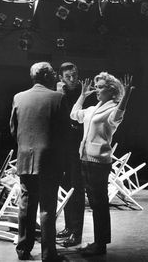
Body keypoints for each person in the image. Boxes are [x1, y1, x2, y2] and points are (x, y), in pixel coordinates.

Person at [10, 62, 69, 262]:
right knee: (47, 208)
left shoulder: (18, 97)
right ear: (46, 76)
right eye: (53, 73)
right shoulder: (58, 98)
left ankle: (23, 250)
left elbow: (13, 129)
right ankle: (48, 254)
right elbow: (64, 133)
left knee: (26, 207)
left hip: (26, 158)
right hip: (49, 161)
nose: (55, 76)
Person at [70, 72, 134, 257]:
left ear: (112, 91)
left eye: (100, 87)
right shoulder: (93, 108)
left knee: (99, 204)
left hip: (98, 162)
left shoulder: (113, 108)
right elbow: (74, 115)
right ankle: (99, 242)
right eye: (96, 87)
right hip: (85, 159)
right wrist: (82, 95)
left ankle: (100, 245)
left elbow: (117, 118)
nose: (96, 90)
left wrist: (126, 95)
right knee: (95, 204)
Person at [56, 62, 95, 247]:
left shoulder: (85, 92)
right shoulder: (59, 93)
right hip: (63, 150)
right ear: (61, 77)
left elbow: (87, 117)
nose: (72, 79)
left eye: (74, 75)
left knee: (77, 191)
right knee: (65, 190)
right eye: (68, 76)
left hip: (79, 150)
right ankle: (68, 227)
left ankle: (76, 234)